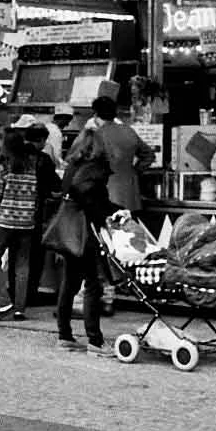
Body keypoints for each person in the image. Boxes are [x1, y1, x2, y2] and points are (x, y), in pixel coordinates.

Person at [55, 129, 129, 357]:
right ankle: (95, 340)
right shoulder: (94, 170)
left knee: (68, 284)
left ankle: (64, 336)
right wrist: (117, 211)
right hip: (85, 233)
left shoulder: (72, 167)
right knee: (93, 285)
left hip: (68, 230)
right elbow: (95, 203)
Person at [0, 127, 38, 322]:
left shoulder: (3, 167)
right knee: (22, 265)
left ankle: (5, 304)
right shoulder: (31, 166)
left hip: (5, 221)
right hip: (26, 222)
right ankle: (20, 308)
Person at [67, 95, 156, 212]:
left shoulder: (97, 135)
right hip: (131, 196)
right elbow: (149, 155)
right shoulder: (129, 131)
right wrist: (134, 171)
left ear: (96, 115)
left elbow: (74, 159)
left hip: (105, 197)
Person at [23, 122, 61, 307]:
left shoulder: (14, 156)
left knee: (18, 256)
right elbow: (55, 186)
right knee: (35, 257)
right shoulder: (43, 160)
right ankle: (30, 293)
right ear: (40, 140)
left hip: (12, 215)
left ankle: (16, 293)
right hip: (34, 214)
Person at [43, 103, 75, 171]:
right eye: (67, 121)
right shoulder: (56, 132)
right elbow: (56, 155)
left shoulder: (47, 126)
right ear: (63, 118)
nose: (67, 124)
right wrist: (64, 167)